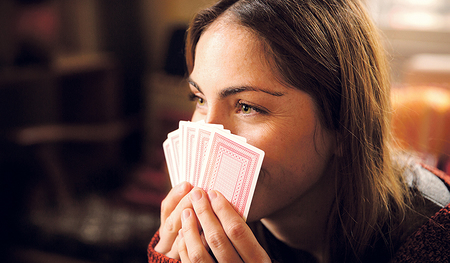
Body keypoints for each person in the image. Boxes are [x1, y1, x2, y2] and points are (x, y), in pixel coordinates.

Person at [148, 0, 450, 262]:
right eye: (199, 99)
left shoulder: (434, 242)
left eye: (247, 106)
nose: (208, 137)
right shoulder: (203, 237)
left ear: (344, 124)